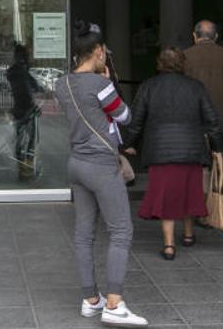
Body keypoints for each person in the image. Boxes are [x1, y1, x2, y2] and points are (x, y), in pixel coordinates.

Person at [55, 21, 147, 327]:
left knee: (83, 234)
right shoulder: (101, 84)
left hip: (77, 164)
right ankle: (114, 303)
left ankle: (90, 300)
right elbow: (125, 116)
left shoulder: (62, 83)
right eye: (103, 50)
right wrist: (108, 83)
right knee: (121, 231)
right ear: (96, 52)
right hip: (101, 165)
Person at [129, 47, 223, 260]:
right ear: (182, 63)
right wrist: (218, 148)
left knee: (166, 198)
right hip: (191, 149)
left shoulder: (149, 86)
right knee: (190, 192)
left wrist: (130, 143)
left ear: (159, 63)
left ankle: (169, 245)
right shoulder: (196, 87)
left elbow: (136, 120)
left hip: (160, 151)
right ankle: (189, 235)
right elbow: (213, 120)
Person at [182, 20, 223, 211]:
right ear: (216, 37)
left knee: (201, 167)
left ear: (194, 35)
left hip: (196, 123)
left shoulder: (185, 57)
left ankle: (204, 209)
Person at [5, 44, 41, 180]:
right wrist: (34, 107)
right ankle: (27, 170)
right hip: (26, 111)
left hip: (18, 110)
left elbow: (32, 87)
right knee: (31, 140)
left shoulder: (15, 72)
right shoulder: (21, 72)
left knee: (21, 140)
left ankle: (23, 169)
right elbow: (31, 89)